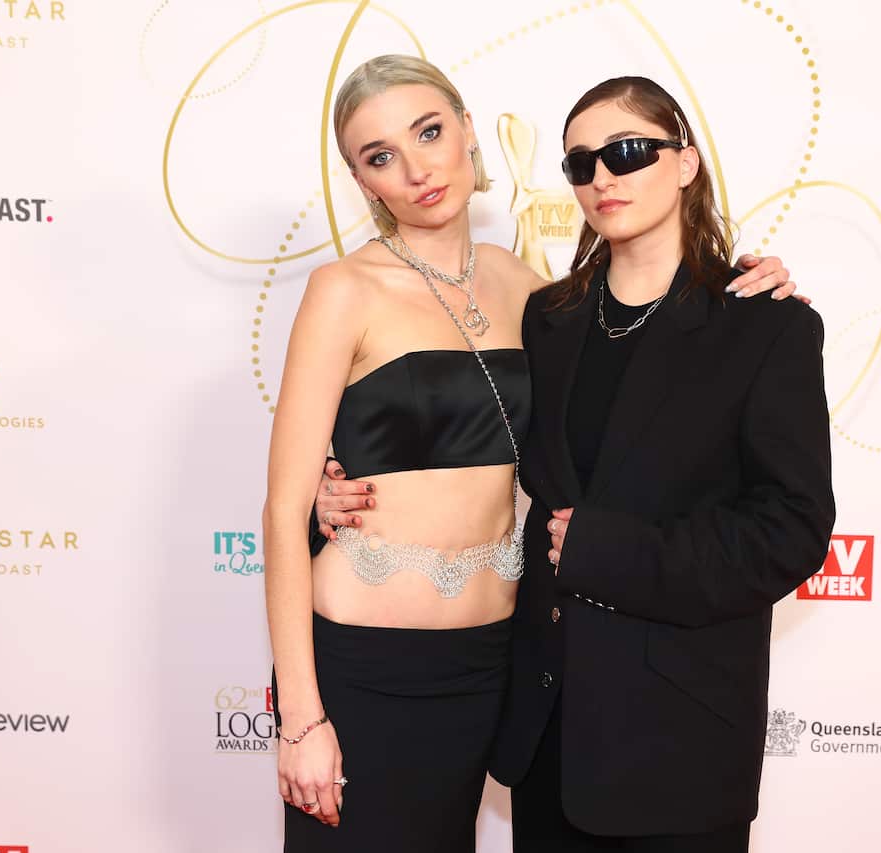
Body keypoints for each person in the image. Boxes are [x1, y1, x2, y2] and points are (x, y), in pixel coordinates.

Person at [269, 56, 798, 852]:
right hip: (368, 662)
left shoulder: (540, 295)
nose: (416, 169)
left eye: (429, 132)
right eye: (380, 157)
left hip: (496, 666)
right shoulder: (344, 290)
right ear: (361, 181)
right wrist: (299, 715)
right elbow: (282, 508)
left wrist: (748, 281)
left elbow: (622, 410)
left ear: (468, 133)